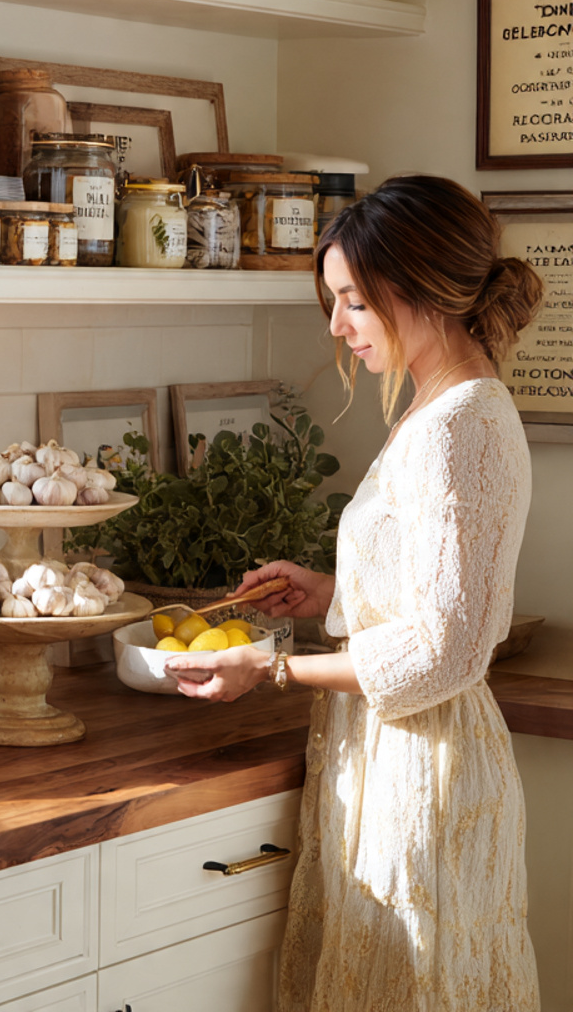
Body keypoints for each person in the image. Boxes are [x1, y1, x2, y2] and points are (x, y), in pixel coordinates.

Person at [164, 175, 544, 1011]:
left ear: (416, 293)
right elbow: (436, 589)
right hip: (389, 754)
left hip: (425, 765)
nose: (337, 326)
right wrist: (333, 591)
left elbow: (447, 649)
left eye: (353, 303)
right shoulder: (436, 406)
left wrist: (271, 672)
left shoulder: (459, 427)